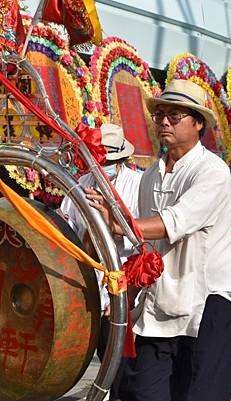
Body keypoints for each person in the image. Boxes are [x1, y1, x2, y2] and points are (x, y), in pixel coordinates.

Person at [86, 79, 231, 401]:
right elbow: (147, 249)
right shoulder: (151, 176)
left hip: (206, 307)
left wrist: (120, 222)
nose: (163, 121)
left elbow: (176, 222)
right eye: (160, 114)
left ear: (198, 123)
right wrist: (129, 292)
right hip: (158, 307)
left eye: (174, 116)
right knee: (139, 393)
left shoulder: (212, 171)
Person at [60, 123, 140, 401]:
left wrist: (112, 220)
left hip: (122, 280)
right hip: (87, 280)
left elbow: (141, 240)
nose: (101, 168)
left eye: (108, 162)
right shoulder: (81, 184)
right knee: (94, 348)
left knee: (117, 353)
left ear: (120, 161)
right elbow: (67, 222)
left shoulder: (136, 185)